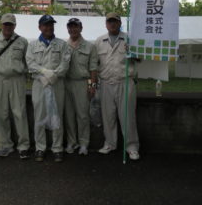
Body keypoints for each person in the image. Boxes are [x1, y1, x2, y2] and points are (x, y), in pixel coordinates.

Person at [94, 13, 140, 161]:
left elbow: (140, 59)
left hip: (125, 82)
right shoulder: (99, 41)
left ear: (120, 23)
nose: (112, 24)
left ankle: (132, 147)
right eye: (110, 22)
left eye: (115, 22)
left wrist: (132, 51)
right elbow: (95, 63)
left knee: (127, 116)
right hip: (106, 83)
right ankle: (109, 143)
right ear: (106, 24)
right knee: (108, 116)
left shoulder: (130, 39)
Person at [26, 14, 70, 162]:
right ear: (40, 27)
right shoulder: (32, 45)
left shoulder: (62, 44)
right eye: (45, 25)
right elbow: (30, 64)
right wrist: (44, 73)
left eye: (51, 24)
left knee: (57, 116)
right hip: (39, 84)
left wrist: (54, 75)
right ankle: (40, 148)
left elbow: (65, 64)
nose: (49, 27)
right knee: (39, 116)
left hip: (56, 84)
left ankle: (57, 148)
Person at [0, 13, 30, 160]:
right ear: (1, 25)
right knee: (2, 114)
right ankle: (6, 144)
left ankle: (23, 145)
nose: (8, 27)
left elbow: (28, 62)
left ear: (15, 26)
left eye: (10, 24)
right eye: (5, 24)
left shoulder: (22, 42)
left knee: (20, 112)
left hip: (17, 79)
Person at [64, 18, 98, 156]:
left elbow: (93, 68)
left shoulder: (90, 46)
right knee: (69, 115)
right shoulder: (63, 45)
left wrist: (92, 85)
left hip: (82, 83)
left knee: (83, 115)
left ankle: (84, 143)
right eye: (71, 27)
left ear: (81, 28)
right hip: (66, 83)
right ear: (68, 29)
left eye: (76, 27)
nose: (73, 29)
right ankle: (72, 142)